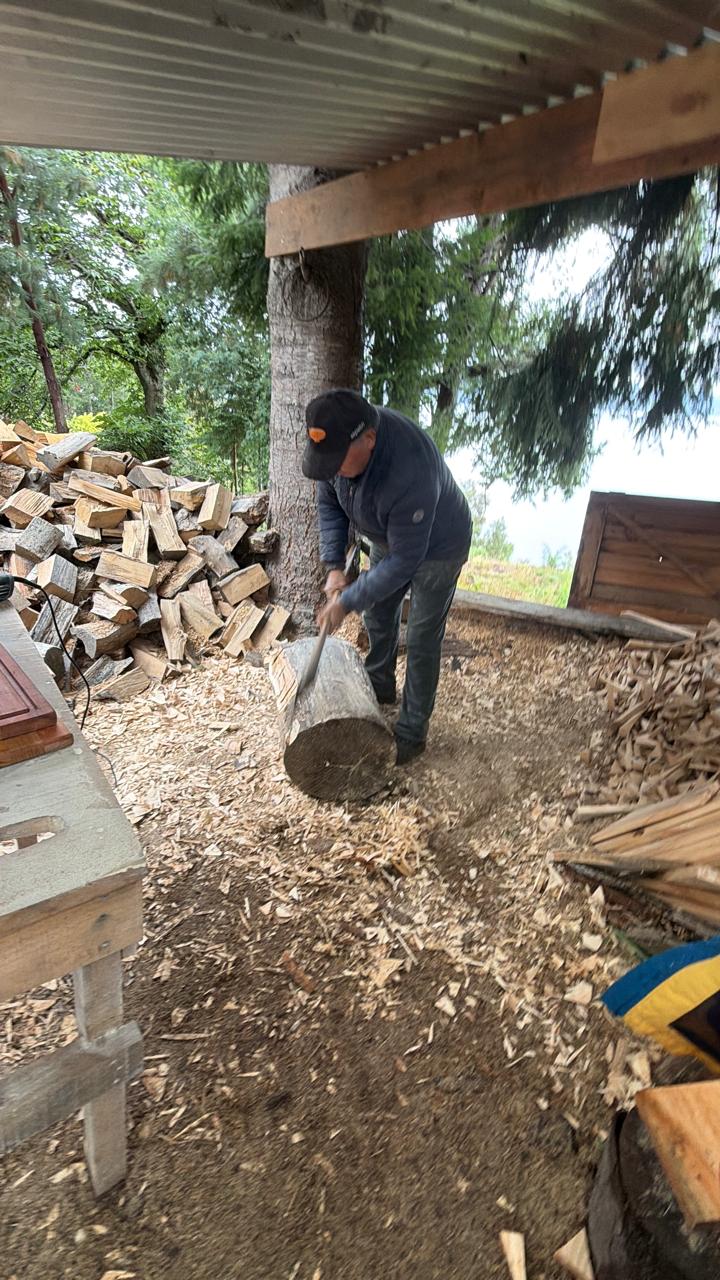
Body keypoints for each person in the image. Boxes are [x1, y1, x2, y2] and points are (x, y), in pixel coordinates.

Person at [301, 388, 472, 765]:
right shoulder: (337, 444)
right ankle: (379, 682)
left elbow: (405, 561)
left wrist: (346, 602)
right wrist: (333, 566)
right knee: (377, 611)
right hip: (386, 533)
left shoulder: (410, 470)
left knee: (423, 636)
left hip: (438, 547)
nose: (330, 469)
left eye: (337, 461)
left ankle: (411, 733)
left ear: (370, 439)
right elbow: (329, 505)